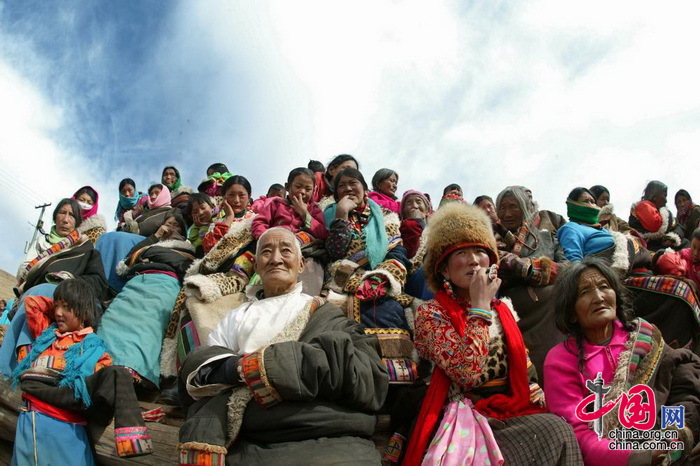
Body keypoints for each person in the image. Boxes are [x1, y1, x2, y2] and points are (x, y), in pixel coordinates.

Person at [177, 227, 388, 464]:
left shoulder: (323, 312)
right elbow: (208, 367)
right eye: (266, 252)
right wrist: (239, 368)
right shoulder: (236, 316)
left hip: (323, 434)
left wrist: (260, 366)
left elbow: (366, 374)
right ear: (256, 266)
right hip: (252, 437)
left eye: (285, 251)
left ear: (300, 265)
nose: (276, 259)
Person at [404, 202, 582, 465]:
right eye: (461, 253)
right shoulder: (430, 313)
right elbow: (467, 371)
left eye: (480, 252)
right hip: (462, 416)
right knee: (553, 431)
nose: (474, 260)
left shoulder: (504, 309)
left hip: (509, 412)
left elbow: (526, 374)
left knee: (561, 427)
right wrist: (479, 307)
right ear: (443, 268)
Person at [544, 258, 700, 465]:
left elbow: (675, 386)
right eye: (584, 292)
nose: (598, 297)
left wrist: (674, 435)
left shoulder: (644, 335)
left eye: (604, 287)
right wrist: (639, 456)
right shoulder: (560, 361)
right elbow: (577, 434)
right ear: (571, 313)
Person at [10, 279, 153, 464]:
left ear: (83, 311)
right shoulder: (47, 334)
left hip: (70, 427)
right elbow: (32, 303)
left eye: (66, 307)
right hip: (35, 419)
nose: (59, 313)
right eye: (57, 306)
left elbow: (88, 389)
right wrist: (62, 300)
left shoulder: (94, 348)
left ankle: (132, 440)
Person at [324, 168, 415, 384]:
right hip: (342, 280)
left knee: (389, 310)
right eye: (341, 186)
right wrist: (341, 216)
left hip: (380, 277)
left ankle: (393, 381)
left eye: (353, 183)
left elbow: (397, 250)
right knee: (332, 316)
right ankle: (349, 379)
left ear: (365, 189)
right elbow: (334, 252)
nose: (347, 188)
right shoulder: (330, 214)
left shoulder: (385, 216)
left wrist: (382, 278)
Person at [98, 210, 195, 388]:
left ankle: (134, 371)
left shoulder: (186, 250)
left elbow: (188, 270)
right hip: (135, 283)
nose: (171, 228)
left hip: (164, 286)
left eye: (176, 225)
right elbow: (128, 260)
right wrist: (155, 237)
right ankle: (101, 363)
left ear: (183, 233)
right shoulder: (149, 245)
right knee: (112, 318)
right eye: (169, 223)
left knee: (147, 325)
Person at [493, 186, 568, 378]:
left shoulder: (545, 236)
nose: (507, 213)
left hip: (551, 294)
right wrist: (524, 267)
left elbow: (567, 265)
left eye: (514, 206)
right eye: (502, 208)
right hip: (512, 300)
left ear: (526, 208)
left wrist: (531, 267)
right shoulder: (492, 237)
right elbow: (497, 265)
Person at [15, 198, 108, 300]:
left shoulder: (85, 248)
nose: (65, 220)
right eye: (62, 213)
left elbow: (98, 283)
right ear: (55, 218)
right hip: (30, 294)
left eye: (72, 215)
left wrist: (68, 281)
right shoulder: (42, 242)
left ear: (77, 222)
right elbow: (24, 270)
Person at [557, 187, 615, 263]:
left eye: (593, 202)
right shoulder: (571, 228)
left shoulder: (601, 229)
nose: (591, 205)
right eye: (586, 201)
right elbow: (573, 261)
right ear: (574, 205)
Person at [629, 180, 687, 252]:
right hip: (651, 249)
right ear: (655, 196)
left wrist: (671, 238)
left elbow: (679, 227)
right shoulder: (643, 207)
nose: (666, 200)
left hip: (669, 244)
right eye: (664, 195)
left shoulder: (661, 211)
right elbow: (655, 225)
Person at [187, 192, 217, 257]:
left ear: (212, 207)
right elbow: (195, 245)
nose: (200, 213)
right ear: (191, 216)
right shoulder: (193, 228)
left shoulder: (220, 217)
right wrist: (203, 228)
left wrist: (209, 224)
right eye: (195, 212)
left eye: (203, 208)